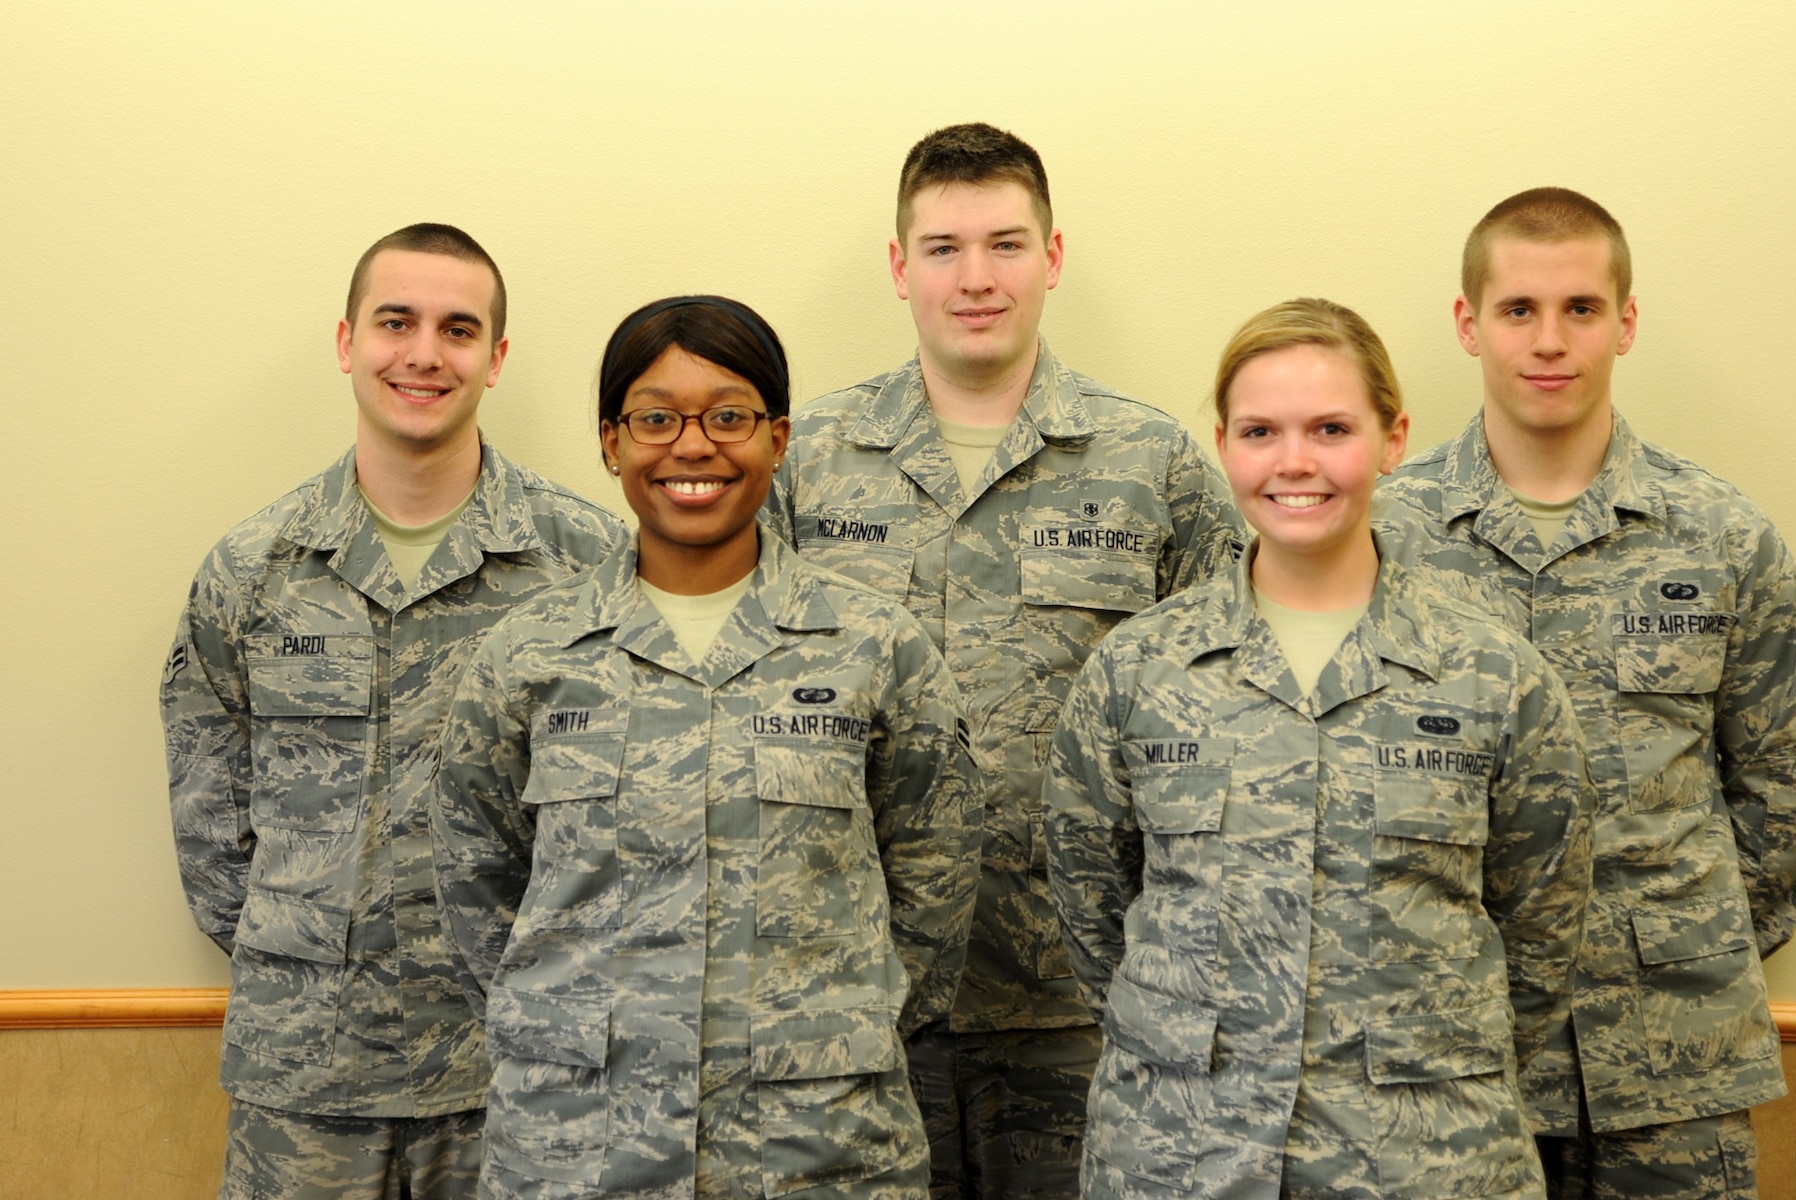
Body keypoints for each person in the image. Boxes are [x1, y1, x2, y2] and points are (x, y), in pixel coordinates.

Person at [767, 122, 1246, 1200]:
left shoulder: (1151, 464)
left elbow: (1236, 710)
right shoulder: (807, 464)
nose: (974, 278)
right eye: (941, 248)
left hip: (1086, 1002)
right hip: (855, 1003)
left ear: (1052, 257)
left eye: (1004, 244)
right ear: (899, 268)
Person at [1044, 298, 1594, 1199]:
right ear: (1222, 444)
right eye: (1261, 431)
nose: (1294, 462)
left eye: (1331, 428)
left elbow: (1540, 928)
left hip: (1427, 1160)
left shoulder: (1495, 676)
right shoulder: (1137, 672)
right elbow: (1094, 907)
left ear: (1392, 439)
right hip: (1180, 1152)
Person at [430, 296, 979, 1199]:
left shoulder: (875, 646)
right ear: (611, 442)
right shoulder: (528, 656)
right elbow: (478, 885)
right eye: (656, 418)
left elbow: (936, 882)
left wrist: (832, 1030)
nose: (693, 446)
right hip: (578, 1149)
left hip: (818, 1150)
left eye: (730, 416)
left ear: (779, 438)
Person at [1376, 189, 1796, 1198]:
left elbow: (1786, 793)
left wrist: (1674, 939)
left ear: (1625, 322)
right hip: (1445, 1061)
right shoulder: (1380, 537)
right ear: (1467, 324)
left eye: (1580, 309)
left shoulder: (1720, 537)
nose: (1549, 341)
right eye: (1517, 311)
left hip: (1671, 1056)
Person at [161, 223, 628, 1199]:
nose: (424, 352)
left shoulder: (589, 566)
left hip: (521, 1075)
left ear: (494, 359)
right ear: (346, 342)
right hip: (308, 1086)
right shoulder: (253, 571)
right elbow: (213, 836)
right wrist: (317, 956)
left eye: (458, 329)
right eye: (395, 322)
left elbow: (635, 820)